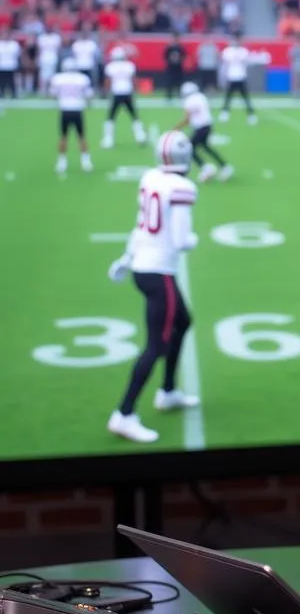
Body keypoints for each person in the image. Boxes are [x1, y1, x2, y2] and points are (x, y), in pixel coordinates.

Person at [106, 130, 201, 444]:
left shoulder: (150, 178)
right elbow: (181, 240)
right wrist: (196, 238)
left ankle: (169, 391)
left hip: (144, 267)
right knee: (156, 345)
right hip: (159, 271)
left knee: (183, 322)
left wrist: (126, 256)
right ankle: (124, 413)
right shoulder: (182, 187)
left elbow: (140, 223)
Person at [176, 82, 232, 183]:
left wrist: (176, 128)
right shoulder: (201, 96)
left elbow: (187, 119)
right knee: (206, 147)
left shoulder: (189, 100)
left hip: (200, 128)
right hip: (208, 125)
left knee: (189, 148)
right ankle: (224, 166)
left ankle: (206, 168)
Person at [51, 55, 93, 175]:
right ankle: (86, 162)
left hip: (64, 109)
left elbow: (53, 94)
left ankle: (62, 162)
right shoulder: (82, 78)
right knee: (81, 137)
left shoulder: (58, 78)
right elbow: (89, 95)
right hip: (77, 109)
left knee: (63, 137)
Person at [102, 45, 146, 148]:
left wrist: (105, 91)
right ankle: (140, 136)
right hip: (127, 93)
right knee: (134, 116)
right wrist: (136, 89)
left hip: (116, 93)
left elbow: (108, 81)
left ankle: (108, 139)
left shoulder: (111, 66)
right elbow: (133, 80)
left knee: (111, 117)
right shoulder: (129, 65)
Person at [219, 35, 257, 124]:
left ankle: (251, 115)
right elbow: (225, 62)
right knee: (228, 97)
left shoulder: (243, 51)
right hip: (231, 76)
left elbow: (247, 61)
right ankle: (225, 113)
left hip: (241, 76)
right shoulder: (228, 51)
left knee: (245, 98)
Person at [164, 32, 186, 100]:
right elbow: (165, 57)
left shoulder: (180, 48)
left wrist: (179, 61)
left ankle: (179, 95)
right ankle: (169, 96)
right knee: (170, 81)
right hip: (171, 67)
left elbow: (184, 56)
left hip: (178, 67)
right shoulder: (169, 48)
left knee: (179, 82)